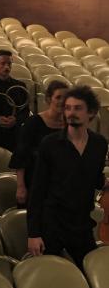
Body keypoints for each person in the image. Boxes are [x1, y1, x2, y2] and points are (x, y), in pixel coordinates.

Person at [27, 86, 108, 269]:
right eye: (68, 108)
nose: (71, 113)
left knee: (90, 271)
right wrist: (33, 234)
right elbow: (37, 190)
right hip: (52, 223)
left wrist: (105, 183)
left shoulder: (99, 144)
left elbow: (95, 178)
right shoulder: (49, 144)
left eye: (78, 108)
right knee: (52, 276)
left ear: (92, 112)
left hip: (82, 223)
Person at [9, 80, 68, 206]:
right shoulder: (33, 123)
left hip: (61, 185)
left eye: (65, 98)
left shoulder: (70, 125)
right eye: (58, 97)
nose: (62, 101)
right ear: (48, 99)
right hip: (35, 182)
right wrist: (21, 187)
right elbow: (20, 156)